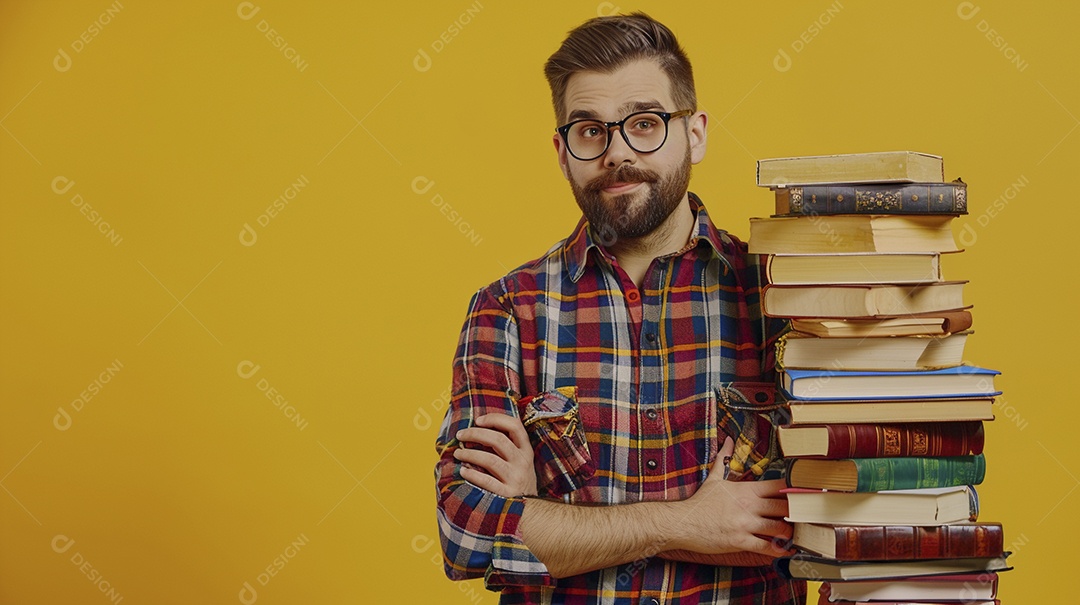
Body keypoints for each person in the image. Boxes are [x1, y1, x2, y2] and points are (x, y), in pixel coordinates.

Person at [434, 12, 807, 605]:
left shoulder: (785, 297)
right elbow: (467, 533)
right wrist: (689, 523)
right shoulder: (507, 309)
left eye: (644, 124)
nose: (617, 153)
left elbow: (822, 520)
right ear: (562, 152)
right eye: (590, 131)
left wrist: (549, 517)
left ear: (696, 133)